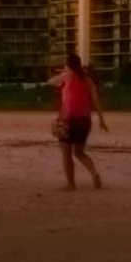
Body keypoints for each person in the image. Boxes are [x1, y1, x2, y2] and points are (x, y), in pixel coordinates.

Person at [53, 52, 110, 191]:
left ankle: (71, 184)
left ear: (68, 65)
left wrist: (63, 72)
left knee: (66, 154)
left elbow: (51, 81)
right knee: (79, 152)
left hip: (68, 121)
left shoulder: (67, 77)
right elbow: (95, 101)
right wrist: (102, 120)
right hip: (84, 121)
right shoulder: (88, 80)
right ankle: (94, 174)